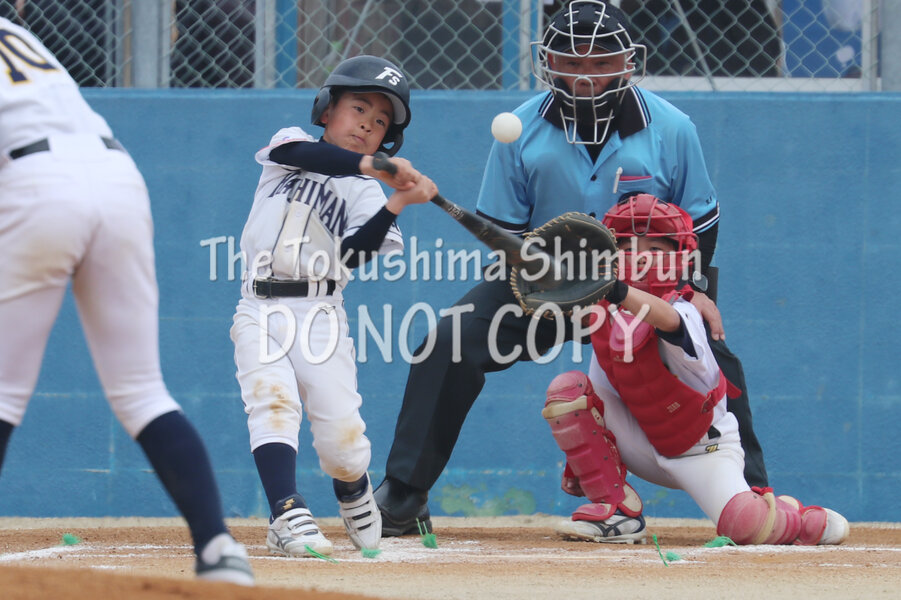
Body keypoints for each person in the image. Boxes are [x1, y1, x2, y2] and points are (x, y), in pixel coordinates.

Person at [374, 0, 767, 537]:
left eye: (601, 63)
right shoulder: (520, 130)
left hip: (640, 289)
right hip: (544, 283)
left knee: (716, 356)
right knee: (449, 341)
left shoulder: (673, 128)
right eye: (571, 63)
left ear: (628, 62)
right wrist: (549, 280)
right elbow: (505, 234)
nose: (586, 76)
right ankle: (404, 493)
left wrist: (696, 289)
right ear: (549, 63)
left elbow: (701, 222)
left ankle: (754, 498)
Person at [0, 17, 253, 584]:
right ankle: (218, 549)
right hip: (116, 176)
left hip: (34, 180)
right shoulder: (16, 33)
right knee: (141, 390)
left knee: (4, 391)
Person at [542, 194, 848, 545]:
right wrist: (553, 279)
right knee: (567, 389)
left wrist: (615, 289)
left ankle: (798, 518)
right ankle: (618, 512)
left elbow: (665, 318)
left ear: (680, 258)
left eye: (655, 249)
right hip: (640, 442)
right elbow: (588, 364)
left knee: (745, 526)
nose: (639, 257)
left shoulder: (685, 310)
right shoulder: (603, 313)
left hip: (701, 450)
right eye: (627, 248)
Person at [230, 55, 437, 556]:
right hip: (258, 307)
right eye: (358, 109)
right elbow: (311, 154)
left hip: (320, 315)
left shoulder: (367, 193)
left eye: (380, 122)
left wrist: (397, 200)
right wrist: (378, 166)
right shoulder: (289, 147)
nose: (367, 124)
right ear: (326, 110)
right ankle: (286, 511)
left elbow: (355, 254)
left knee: (342, 442)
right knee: (272, 402)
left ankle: (351, 486)